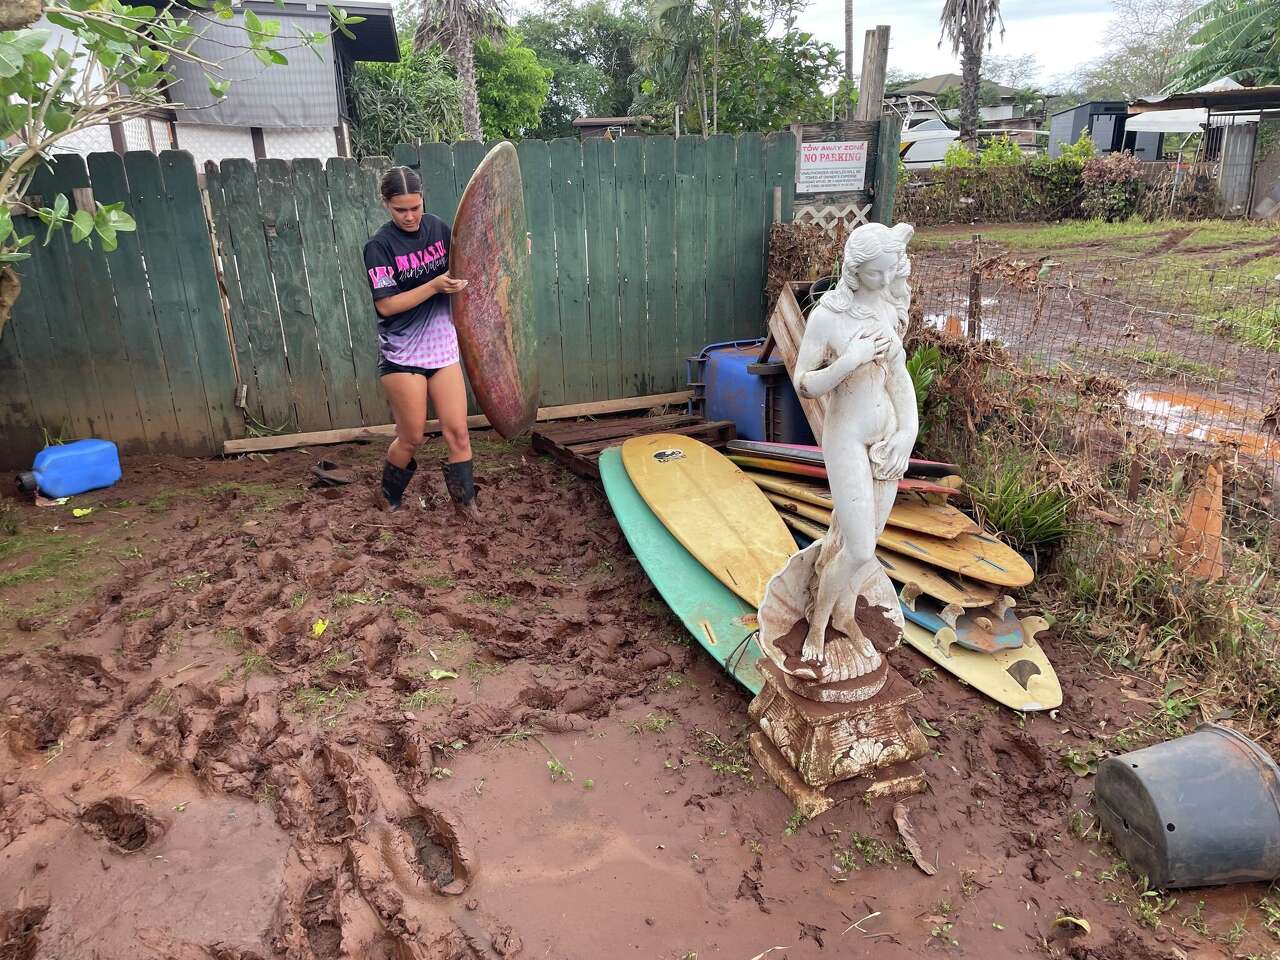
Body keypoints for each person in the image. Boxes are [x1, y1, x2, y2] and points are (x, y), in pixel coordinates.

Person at [363, 166, 478, 517]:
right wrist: (432, 286)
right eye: (401, 209)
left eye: (416, 206)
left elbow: (471, 261)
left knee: (458, 431)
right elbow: (386, 304)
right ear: (385, 205)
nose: (411, 216)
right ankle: (387, 495)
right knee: (412, 436)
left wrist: (515, 246)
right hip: (402, 354)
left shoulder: (439, 229)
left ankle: (466, 506)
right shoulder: (379, 247)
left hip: (442, 348)